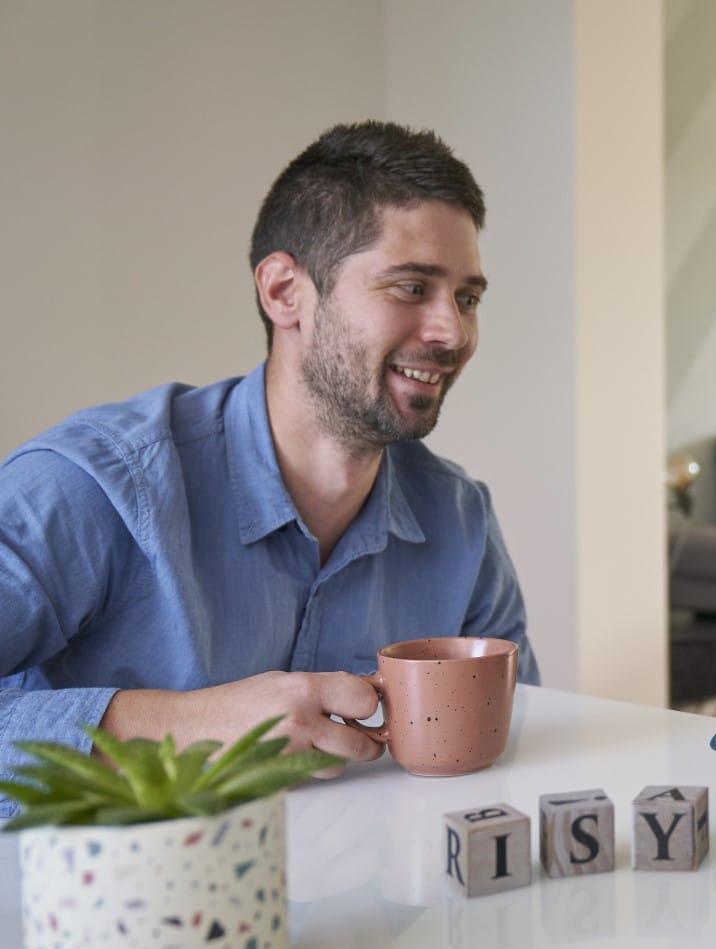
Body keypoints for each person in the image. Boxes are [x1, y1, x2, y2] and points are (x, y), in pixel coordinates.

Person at [0, 121, 537, 807]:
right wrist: (182, 728)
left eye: (467, 298)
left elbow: (518, 747)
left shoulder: (461, 522)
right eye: (410, 288)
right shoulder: (96, 485)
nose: (453, 333)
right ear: (285, 292)